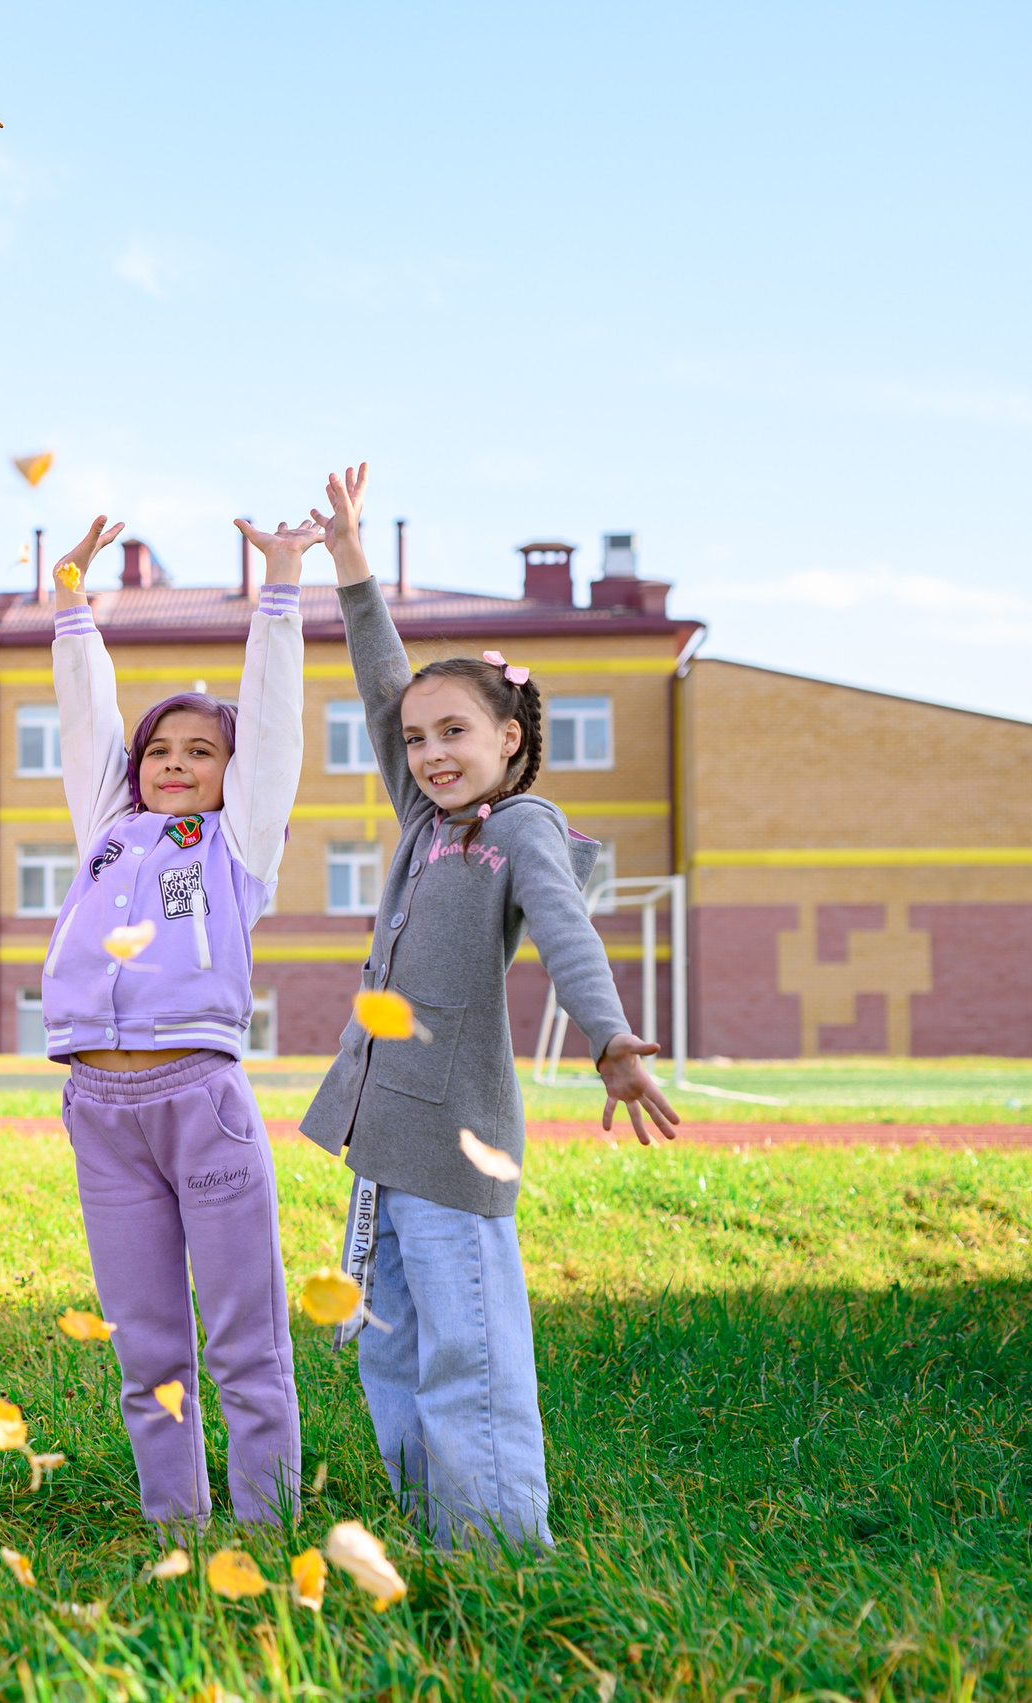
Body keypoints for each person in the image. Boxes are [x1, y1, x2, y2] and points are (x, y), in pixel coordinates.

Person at [300, 463, 680, 1550]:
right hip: (383, 1135)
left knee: (467, 1346)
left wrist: (609, 1039)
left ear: (507, 735)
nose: (428, 753)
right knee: (388, 1343)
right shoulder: (424, 821)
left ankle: (502, 1547)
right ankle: (433, 1526)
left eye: (452, 733)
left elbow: (565, 930)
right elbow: (384, 688)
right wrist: (352, 564)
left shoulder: (521, 828)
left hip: (455, 1141)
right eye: (417, 741)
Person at [38, 506, 313, 1527]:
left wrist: (278, 589)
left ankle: (265, 1523)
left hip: (200, 1099)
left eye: (200, 751)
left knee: (245, 1334)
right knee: (146, 1342)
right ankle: (177, 1526)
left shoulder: (236, 846)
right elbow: (84, 725)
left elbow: (273, 722)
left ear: (229, 775)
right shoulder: (107, 835)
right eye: (159, 748)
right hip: (99, 1107)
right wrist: (73, 604)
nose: (173, 762)